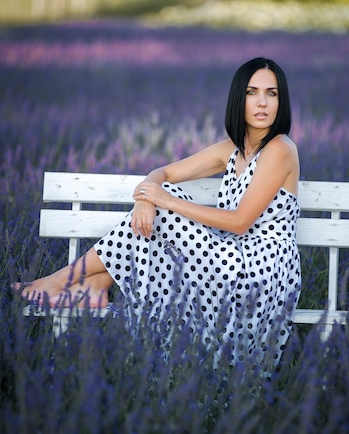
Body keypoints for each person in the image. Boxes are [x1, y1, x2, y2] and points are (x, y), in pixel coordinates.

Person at [14, 57, 301, 364]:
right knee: (164, 200)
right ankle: (94, 284)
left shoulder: (280, 149)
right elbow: (161, 172)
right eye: (251, 92)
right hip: (228, 259)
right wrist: (146, 200)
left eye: (272, 94)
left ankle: (72, 281)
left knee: (169, 203)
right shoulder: (233, 149)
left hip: (259, 270)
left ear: (280, 101)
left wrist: (166, 202)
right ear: (238, 99)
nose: (262, 103)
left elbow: (240, 222)